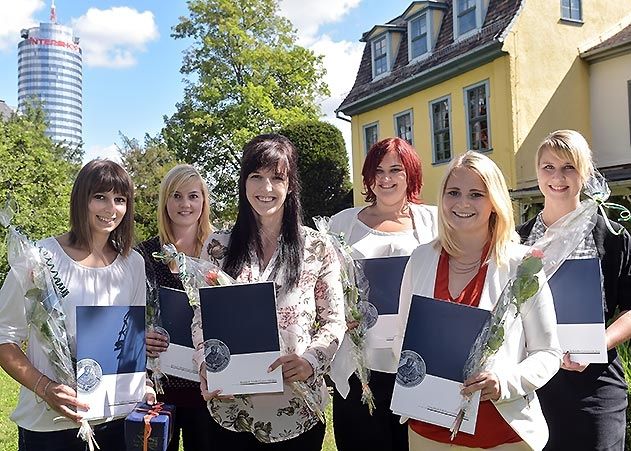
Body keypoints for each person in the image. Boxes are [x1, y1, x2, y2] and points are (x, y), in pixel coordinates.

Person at [398, 151, 562, 451]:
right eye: (453, 193)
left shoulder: (522, 265)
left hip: (502, 435)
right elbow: (403, 338)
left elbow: (548, 353)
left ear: (494, 203)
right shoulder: (421, 258)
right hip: (427, 432)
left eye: (476, 194)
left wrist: (504, 382)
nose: (462, 203)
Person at [194, 134, 345, 450]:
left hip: (295, 412)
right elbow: (201, 317)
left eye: (277, 178)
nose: (266, 188)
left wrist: (310, 362)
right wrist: (204, 364)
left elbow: (333, 321)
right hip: (230, 411)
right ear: (243, 182)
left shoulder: (318, 247)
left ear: (290, 185)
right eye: (256, 177)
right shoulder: (217, 246)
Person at [0, 159, 149, 451]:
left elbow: (130, 344)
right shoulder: (38, 258)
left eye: (120, 199)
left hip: (114, 422)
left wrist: (139, 383)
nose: (111, 208)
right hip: (49, 426)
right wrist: (46, 389)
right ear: (81, 199)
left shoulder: (133, 264)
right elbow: (4, 336)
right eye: (100, 197)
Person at [517, 130, 631, 450]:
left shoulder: (612, 235)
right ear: (537, 172)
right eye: (548, 167)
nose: (558, 177)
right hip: (532, 387)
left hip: (595, 388)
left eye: (569, 167)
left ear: (585, 172)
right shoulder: (517, 241)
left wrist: (598, 343)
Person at [328, 137, 437, 451]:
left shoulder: (432, 221)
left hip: (416, 364)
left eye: (396, 170)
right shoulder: (342, 223)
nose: (386, 178)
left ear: (410, 175)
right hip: (359, 366)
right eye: (378, 171)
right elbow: (326, 284)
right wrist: (341, 312)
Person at [136, 164, 214, 451]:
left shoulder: (220, 252)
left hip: (208, 386)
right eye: (176, 195)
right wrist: (140, 335)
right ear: (165, 201)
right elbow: (130, 314)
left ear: (204, 201)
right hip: (158, 388)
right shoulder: (143, 255)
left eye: (193, 196)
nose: (185, 204)